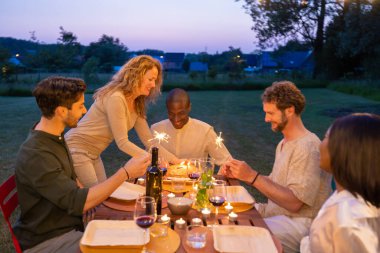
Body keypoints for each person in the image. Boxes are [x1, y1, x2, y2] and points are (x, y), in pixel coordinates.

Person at [14, 77, 149, 252]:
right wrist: (125, 173)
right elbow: (78, 202)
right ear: (62, 111)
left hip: (69, 224)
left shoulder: (54, 137)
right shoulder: (37, 154)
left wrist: (89, 199)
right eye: (80, 106)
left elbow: (72, 182)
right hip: (48, 239)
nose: (85, 110)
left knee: (132, 227)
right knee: (129, 246)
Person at [221, 81, 332, 253]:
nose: (266, 119)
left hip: (299, 222)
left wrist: (253, 177)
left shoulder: (307, 146)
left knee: (238, 236)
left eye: (270, 113)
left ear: (290, 110)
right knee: (224, 212)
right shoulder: (284, 143)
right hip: (276, 214)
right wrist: (241, 174)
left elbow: (295, 203)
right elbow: (275, 184)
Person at [65, 55, 179, 187]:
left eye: (155, 80)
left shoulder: (137, 103)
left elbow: (149, 141)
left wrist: (176, 161)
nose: (153, 85)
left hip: (94, 154)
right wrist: (154, 160)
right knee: (95, 197)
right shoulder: (116, 98)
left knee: (102, 197)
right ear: (136, 76)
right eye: (150, 79)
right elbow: (122, 142)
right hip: (77, 149)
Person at [300, 113, 380, 253]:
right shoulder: (353, 199)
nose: (320, 143)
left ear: (345, 150)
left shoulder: (347, 220)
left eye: (325, 137)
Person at [151, 88, 232, 166]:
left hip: (196, 179)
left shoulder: (205, 131)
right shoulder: (156, 129)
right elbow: (148, 159)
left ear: (189, 107)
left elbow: (227, 162)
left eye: (181, 113)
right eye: (171, 113)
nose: (176, 119)